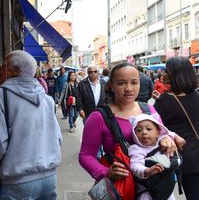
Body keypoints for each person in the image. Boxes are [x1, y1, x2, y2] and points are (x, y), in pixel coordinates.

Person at [79, 63, 182, 199]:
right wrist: (105, 172)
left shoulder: (149, 110)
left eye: (134, 83)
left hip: (154, 187)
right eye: (121, 83)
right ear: (111, 85)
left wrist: (167, 139)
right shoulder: (98, 117)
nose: (129, 89)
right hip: (120, 188)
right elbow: (86, 155)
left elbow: (162, 133)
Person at [0, 50, 62, 199]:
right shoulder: (47, 99)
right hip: (49, 178)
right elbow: (58, 139)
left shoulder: (0, 96)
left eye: (4, 65)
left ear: (15, 71)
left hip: (18, 182)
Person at [154, 56, 199, 200]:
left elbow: (154, 130)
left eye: (167, 71)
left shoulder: (165, 101)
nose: (163, 74)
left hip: (188, 160)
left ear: (176, 74)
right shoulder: (197, 95)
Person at [128, 114, 178, 200]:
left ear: (158, 133)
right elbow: (135, 165)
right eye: (139, 130)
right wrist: (147, 171)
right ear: (134, 134)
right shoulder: (136, 149)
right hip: (147, 189)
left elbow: (175, 159)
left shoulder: (162, 145)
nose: (144, 132)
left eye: (148, 129)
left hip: (166, 187)